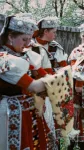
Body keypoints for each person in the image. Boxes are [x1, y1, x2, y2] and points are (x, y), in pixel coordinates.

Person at [0, 15, 56, 150]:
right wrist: (59, 81)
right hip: (11, 111)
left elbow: (44, 75)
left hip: (30, 110)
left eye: (29, 39)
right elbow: (35, 86)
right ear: (10, 36)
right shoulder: (5, 59)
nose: (27, 44)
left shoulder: (27, 55)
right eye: (24, 39)